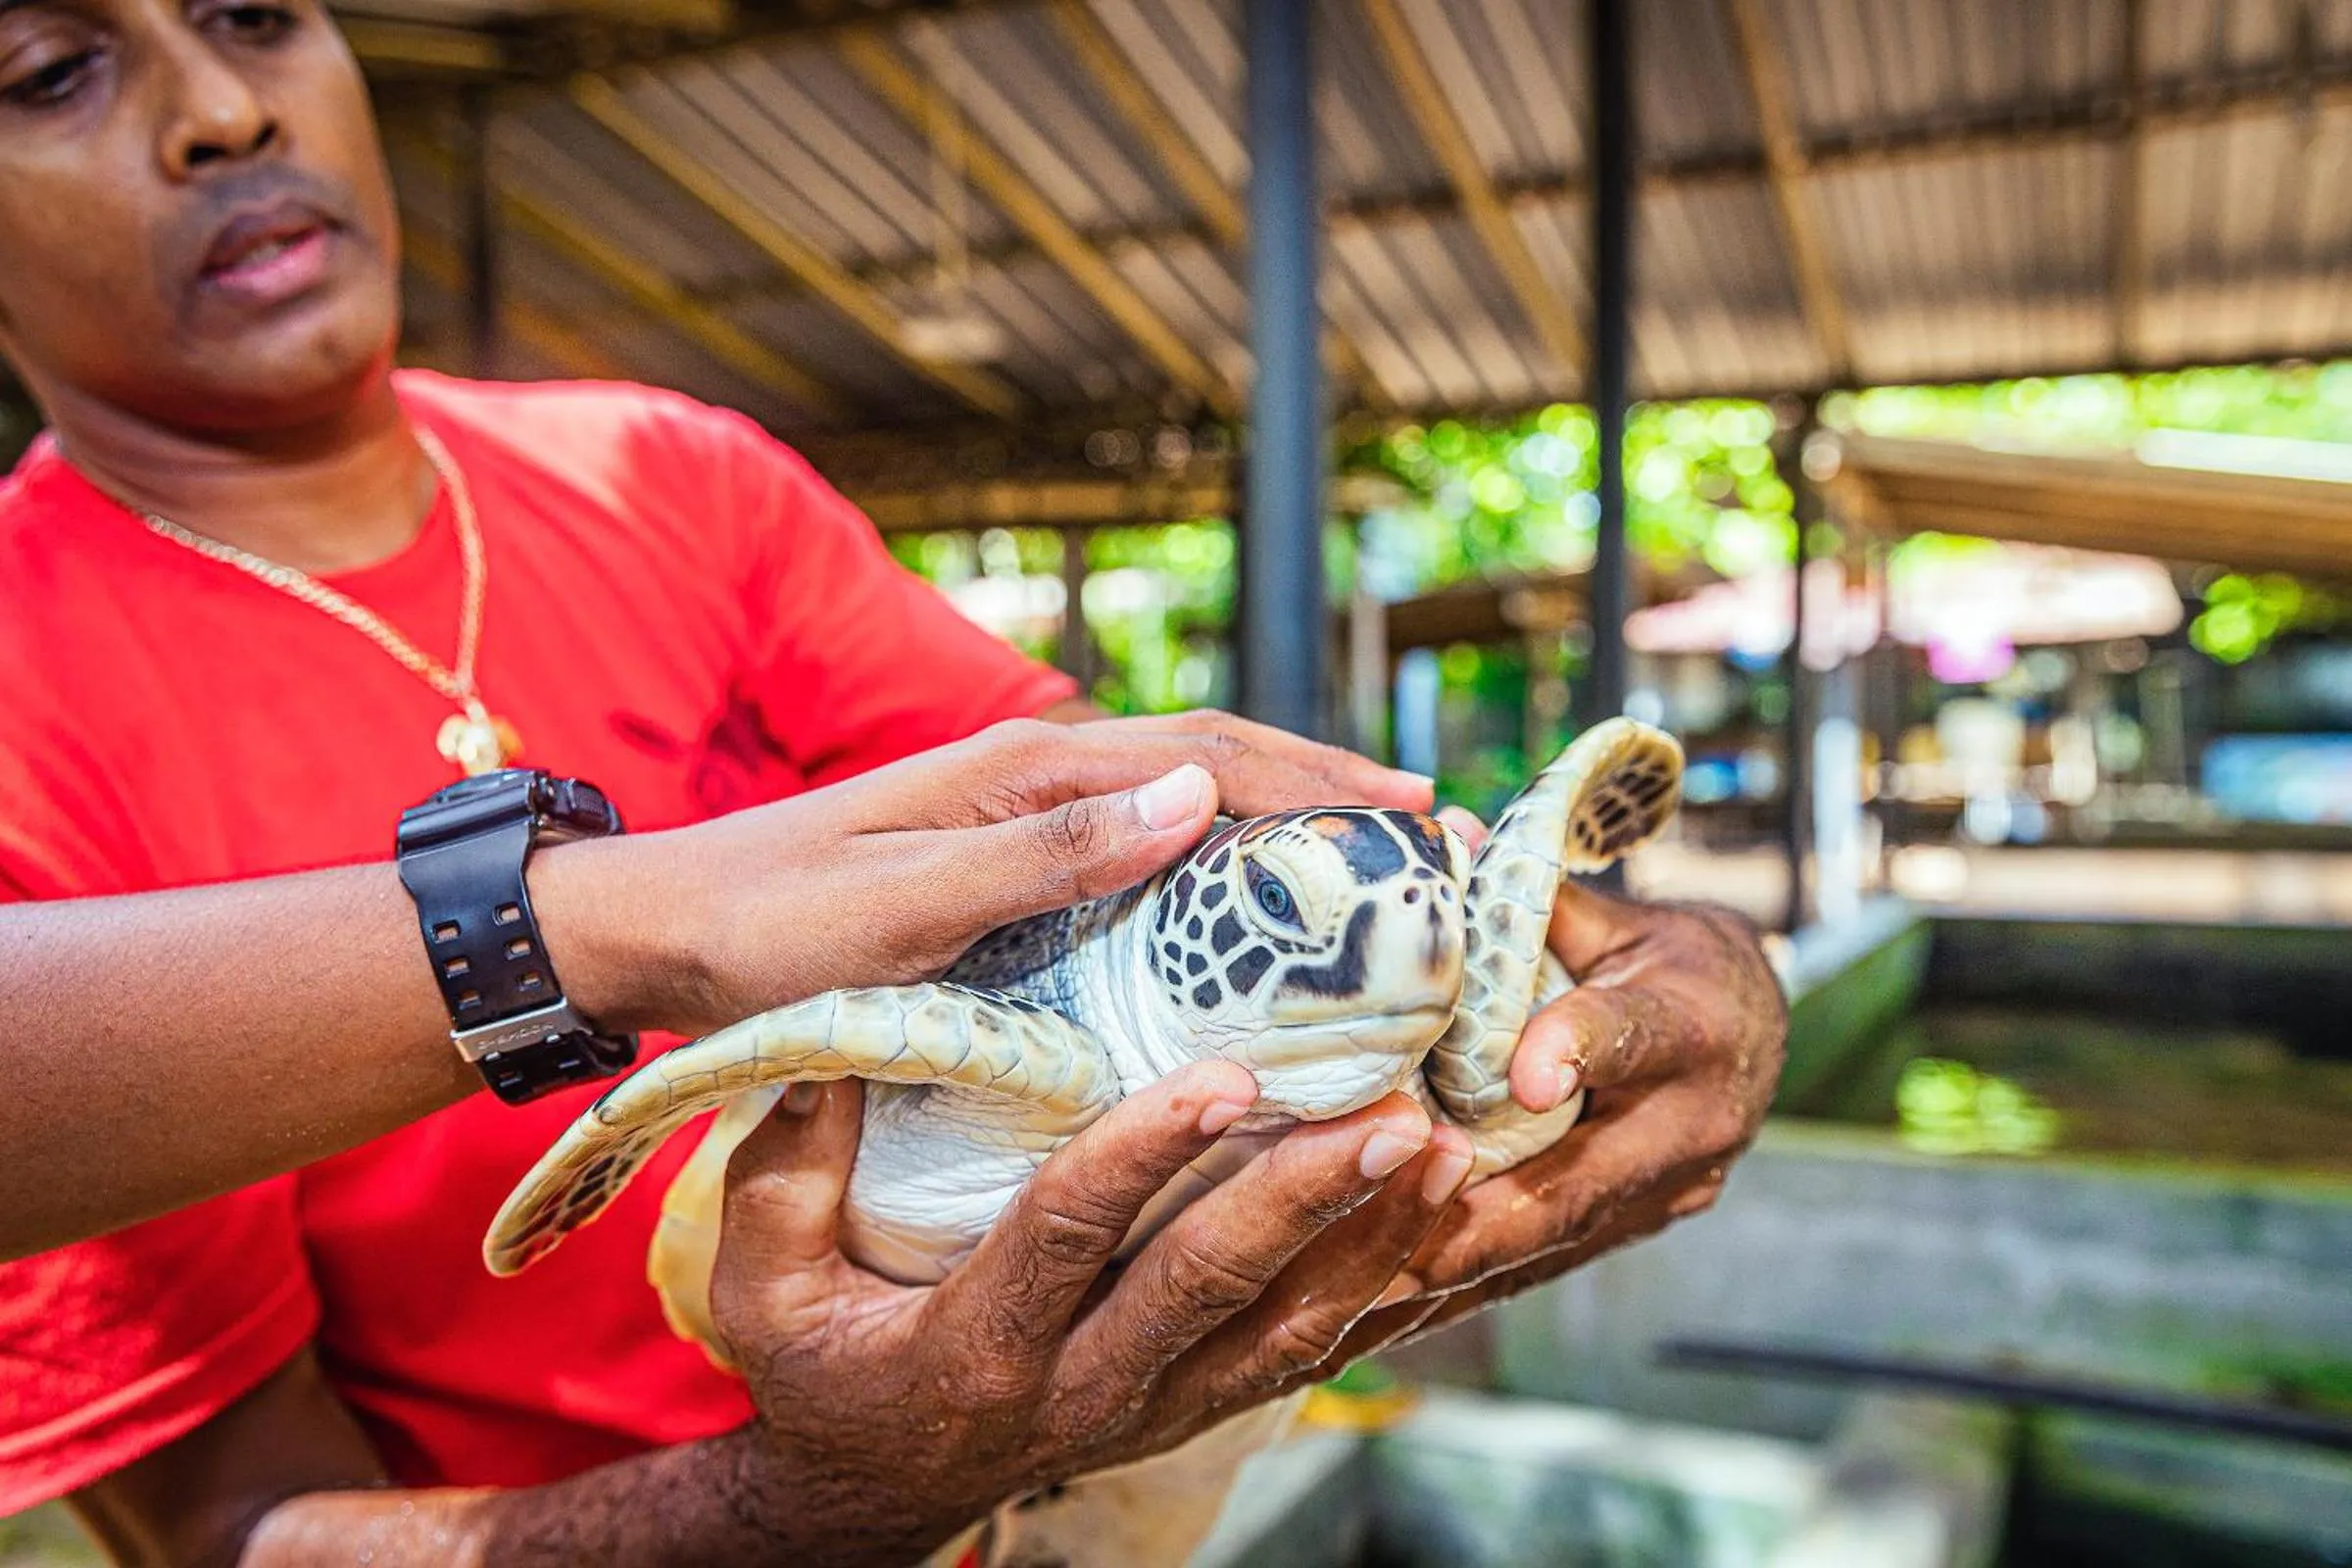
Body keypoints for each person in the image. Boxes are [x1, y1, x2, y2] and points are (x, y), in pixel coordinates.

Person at [0, 4, 1788, 1565]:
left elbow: (1134, 820)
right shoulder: (29, 688)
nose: (220, 111)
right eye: (52, 69)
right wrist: (804, 1512)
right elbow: (238, 1533)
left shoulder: (671, 476)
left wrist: (1619, 947)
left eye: (254, 9)